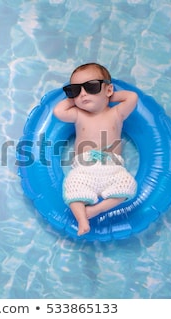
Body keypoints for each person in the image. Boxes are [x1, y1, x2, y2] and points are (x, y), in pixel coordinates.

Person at [53, 63, 138, 236]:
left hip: (112, 168)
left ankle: (96, 210)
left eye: (91, 87)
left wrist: (108, 96)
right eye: (75, 90)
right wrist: (76, 99)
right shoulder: (79, 114)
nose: (83, 93)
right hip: (84, 168)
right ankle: (82, 220)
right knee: (72, 187)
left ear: (108, 89)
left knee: (128, 186)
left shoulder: (117, 113)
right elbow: (58, 111)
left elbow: (132, 97)